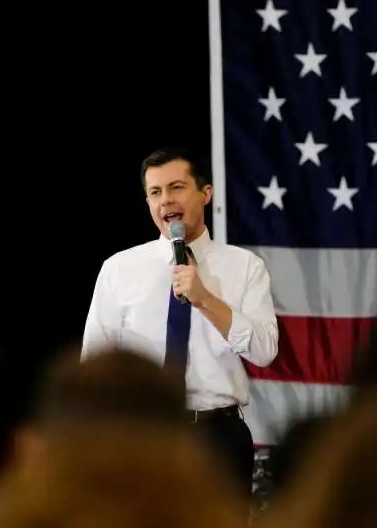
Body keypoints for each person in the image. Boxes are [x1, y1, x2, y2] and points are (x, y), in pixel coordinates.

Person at [81, 147, 279, 505]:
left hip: (218, 435)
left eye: (176, 187)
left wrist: (206, 299)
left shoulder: (245, 267)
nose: (166, 200)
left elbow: (264, 351)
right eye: (155, 192)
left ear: (206, 193)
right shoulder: (119, 269)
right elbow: (95, 363)